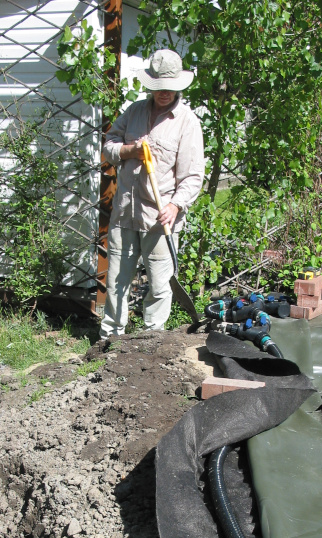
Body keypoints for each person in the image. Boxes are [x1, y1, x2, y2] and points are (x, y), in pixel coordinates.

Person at [99, 49, 205, 339]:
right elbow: (109, 144)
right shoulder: (134, 112)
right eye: (159, 87)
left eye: (169, 88)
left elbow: (194, 176)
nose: (164, 93)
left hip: (160, 218)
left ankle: (150, 341)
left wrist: (175, 205)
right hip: (125, 211)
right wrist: (128, 150)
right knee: (116, 279)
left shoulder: (187, 122)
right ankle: (110, 339)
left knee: (160, 284)